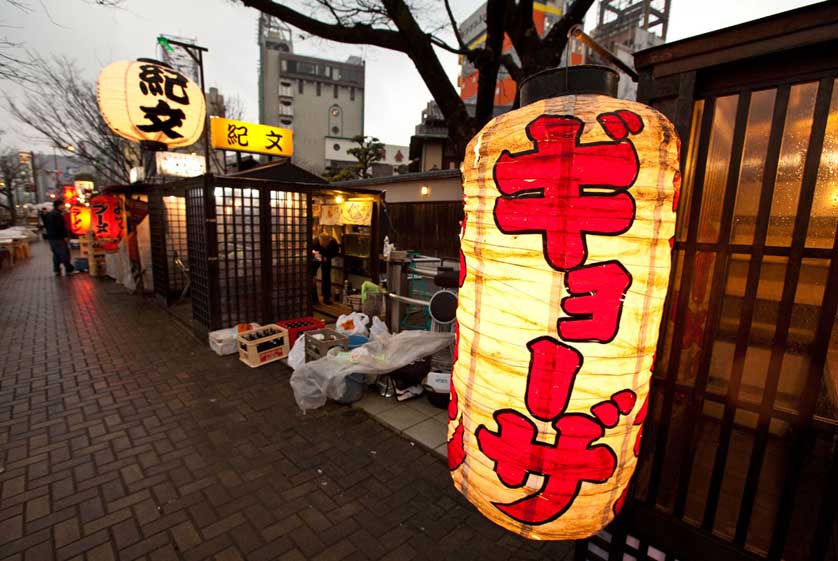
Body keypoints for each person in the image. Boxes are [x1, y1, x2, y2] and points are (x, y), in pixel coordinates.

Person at [44, 199, 77, 276]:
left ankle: (56, 270)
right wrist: (64, 236)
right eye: (63, 205)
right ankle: (69, 269)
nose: (64, 206)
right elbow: (60, 227)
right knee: (64, 254)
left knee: (56, 254)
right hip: (58, 238)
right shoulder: (57, 215)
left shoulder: (50, 214)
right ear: (59, 205)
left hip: (52, 238)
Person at [311, 232, 340, 304]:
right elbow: (310, 252)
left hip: (327, 257)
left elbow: (335, 252)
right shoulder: (314, 242)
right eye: (322, 245)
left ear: (329, 241)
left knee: (326, 276)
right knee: (312, 276)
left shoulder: (333, 242)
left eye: (325, 245)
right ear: (319, 240)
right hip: (316, 259)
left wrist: (328, 257)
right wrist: (316, 256)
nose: (324, 246)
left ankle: (326, 297)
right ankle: (314, 298)